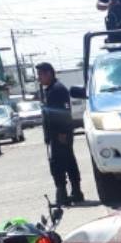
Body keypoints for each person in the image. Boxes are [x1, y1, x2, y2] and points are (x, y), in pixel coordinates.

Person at [37, 62, 83, 206]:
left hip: (60, 134)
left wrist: (62, 133)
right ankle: (75, 193)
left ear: (49, 73)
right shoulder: (49, 90)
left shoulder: (58, 89)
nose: (39, 78)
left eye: (40, 74)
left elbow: (64, 113)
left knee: (59, 165)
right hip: (55, 135)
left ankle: (63, 195)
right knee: (67, 162)